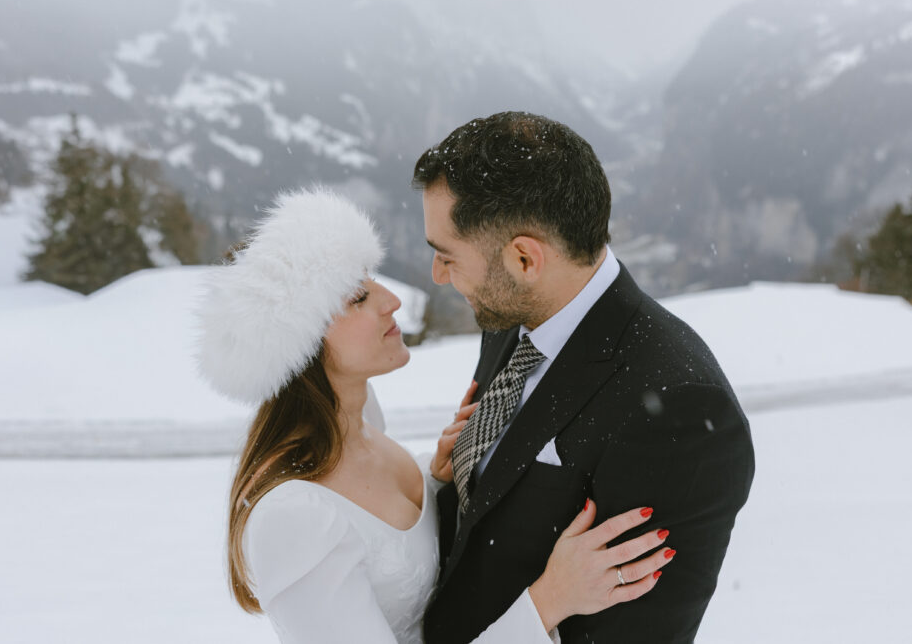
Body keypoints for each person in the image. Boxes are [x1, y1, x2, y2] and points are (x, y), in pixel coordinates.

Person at [195, 189, 676, 644]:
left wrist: (436, 478)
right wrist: (550, 599)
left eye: (372, 280)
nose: (392, 300)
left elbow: (382, 539)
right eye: (358, 298)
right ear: (301, 346)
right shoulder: (293, 517)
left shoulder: (362, 429)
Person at [414, 111, 756, 644]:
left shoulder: (681, 406)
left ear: (524, 258)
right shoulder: (510, 317)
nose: (437, 275)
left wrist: (543, 603)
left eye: (446, 255)